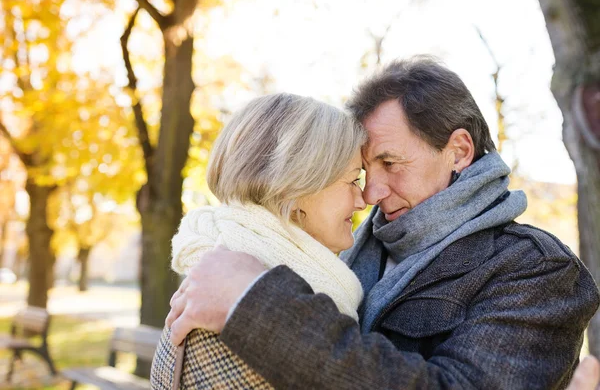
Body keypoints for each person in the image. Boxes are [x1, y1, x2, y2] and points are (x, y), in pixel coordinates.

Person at [167, 56, 600, 389]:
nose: (370, 194)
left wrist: (253, 302)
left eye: (390, 162)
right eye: (362, 170)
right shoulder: (338, 246)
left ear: (459, 151)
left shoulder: (538, 269)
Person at [151, 93, 368, 389]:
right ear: (296, 188)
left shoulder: (225, 282)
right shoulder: (241, 335)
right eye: (354, 180)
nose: (362, 200)